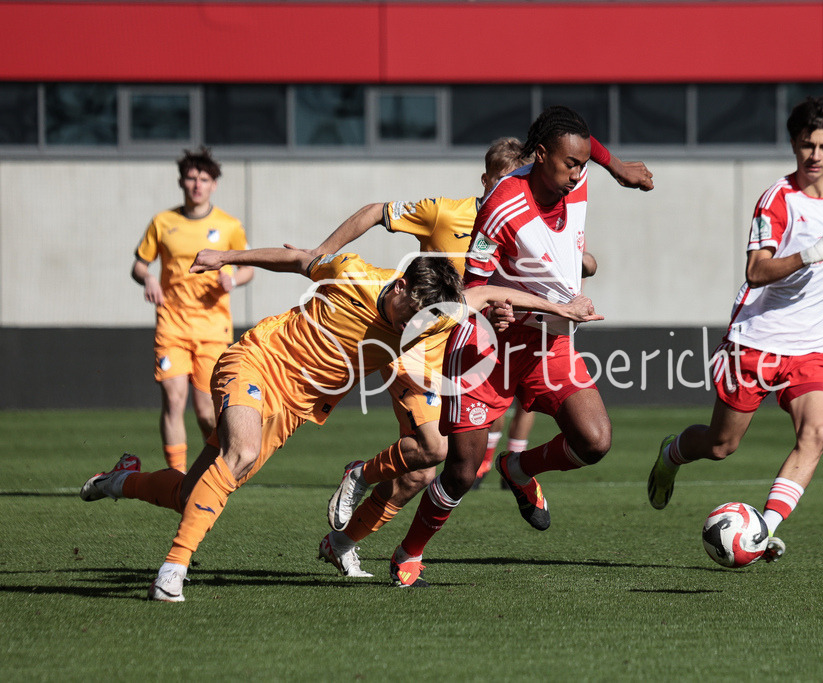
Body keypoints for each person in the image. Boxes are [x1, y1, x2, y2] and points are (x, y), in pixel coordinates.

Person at [81, 245, 600, 602]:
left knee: (190, 492)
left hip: (294, 407)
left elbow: (485, 299)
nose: (408, 325)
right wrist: (225, 257)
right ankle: (173, 570)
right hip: (256, 361)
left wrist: (564, 307)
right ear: (398, 285)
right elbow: (294, 256)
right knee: (237, 456)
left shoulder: (431, 311)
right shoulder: (352, 272)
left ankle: (119, 479)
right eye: (405, 313)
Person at [315, 136, 651, 576]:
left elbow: (573, 255)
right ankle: (366, 484)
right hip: (437, 355)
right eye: (501, 179)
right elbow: (382, 216)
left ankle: (344, 541)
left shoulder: (539, 207)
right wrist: (323, 252)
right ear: (486, 180)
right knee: (442, 459)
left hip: (529, 344)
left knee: (423, 469)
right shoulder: (453, 212)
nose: (510, 186)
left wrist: (579, 259)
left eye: (518, 177)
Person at [385, 105, 623, 588]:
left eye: (583, 164)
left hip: (546, 343)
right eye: (570, 164)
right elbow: (472, 291)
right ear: (539, 156)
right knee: (462, 471)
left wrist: (617, 167)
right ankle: (408, 553)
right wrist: (500, 311)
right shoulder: (500, 207)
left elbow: (584, 140)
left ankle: (519, 467)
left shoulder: (573, 177)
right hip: (485, 349)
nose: (578, 174)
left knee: (595, 441)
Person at [647, 95, 823, 563]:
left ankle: (762, 529)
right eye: (805, 145)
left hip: (816, 345)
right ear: (793, 145)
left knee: (816, 434)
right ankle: (671, 454)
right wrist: (813, 253)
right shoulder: (777, 201)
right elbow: (755, 272)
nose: (814, 155)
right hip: (758, 340)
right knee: (721, 446)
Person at [132, 148, 253, 472]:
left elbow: (248, 269)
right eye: (191, 178)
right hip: (172, 324)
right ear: (181, 182)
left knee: (205, 411)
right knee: (173, 400)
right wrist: (148, 279)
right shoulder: (163, 222)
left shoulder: (228, 225)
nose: (197, 184)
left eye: (204, 179)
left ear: (213, 184)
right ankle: (175, 476)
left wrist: (234, 280)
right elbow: (139, 266)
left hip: (212, 328)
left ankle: (212, 471)